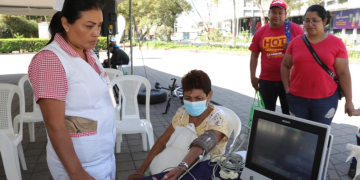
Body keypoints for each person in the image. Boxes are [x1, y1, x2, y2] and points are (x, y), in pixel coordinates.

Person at [28, 0, 116, 179]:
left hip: (103, 155)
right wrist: (76, 172)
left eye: (99, 26)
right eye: (89, 26)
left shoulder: (88, 53)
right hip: (78, 165)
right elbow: (54, 124)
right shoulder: (50, 60)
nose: (96, 33)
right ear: (66, 23)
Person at [127, 70, 230, 180]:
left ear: (209, 96)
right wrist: (141, 170)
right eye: (188, 98)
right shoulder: (182, 113)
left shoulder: (218, 120)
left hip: (195, 174)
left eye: (198, 98)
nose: (192, 103)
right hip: (164, 173)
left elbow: (203, 144)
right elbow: (162, 141)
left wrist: (181, 168)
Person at [281, 4, 354, 125]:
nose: (310, 24)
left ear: (324, 21)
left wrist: (349, 101)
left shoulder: (336, 43)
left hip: (325, 99)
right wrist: (287, 88)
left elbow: (343, 73)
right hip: (297, 98)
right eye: (307, 21)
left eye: (315, 21)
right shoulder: (296, 42)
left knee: (320, 135)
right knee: (298, 133)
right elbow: (285, 66)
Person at [249, 0, 304, 115]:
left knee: (289, 114)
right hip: (266, 81)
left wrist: (294, 47)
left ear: (286, 14)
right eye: (274, 12)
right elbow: (254, 55)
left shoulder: (295, 29)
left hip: (289, 81)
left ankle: (288, 133)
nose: (276, 16)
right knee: (267, 115)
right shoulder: (260, 32)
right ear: (269, 13)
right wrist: (253, 76)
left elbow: (307, 51)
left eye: (280, 12)